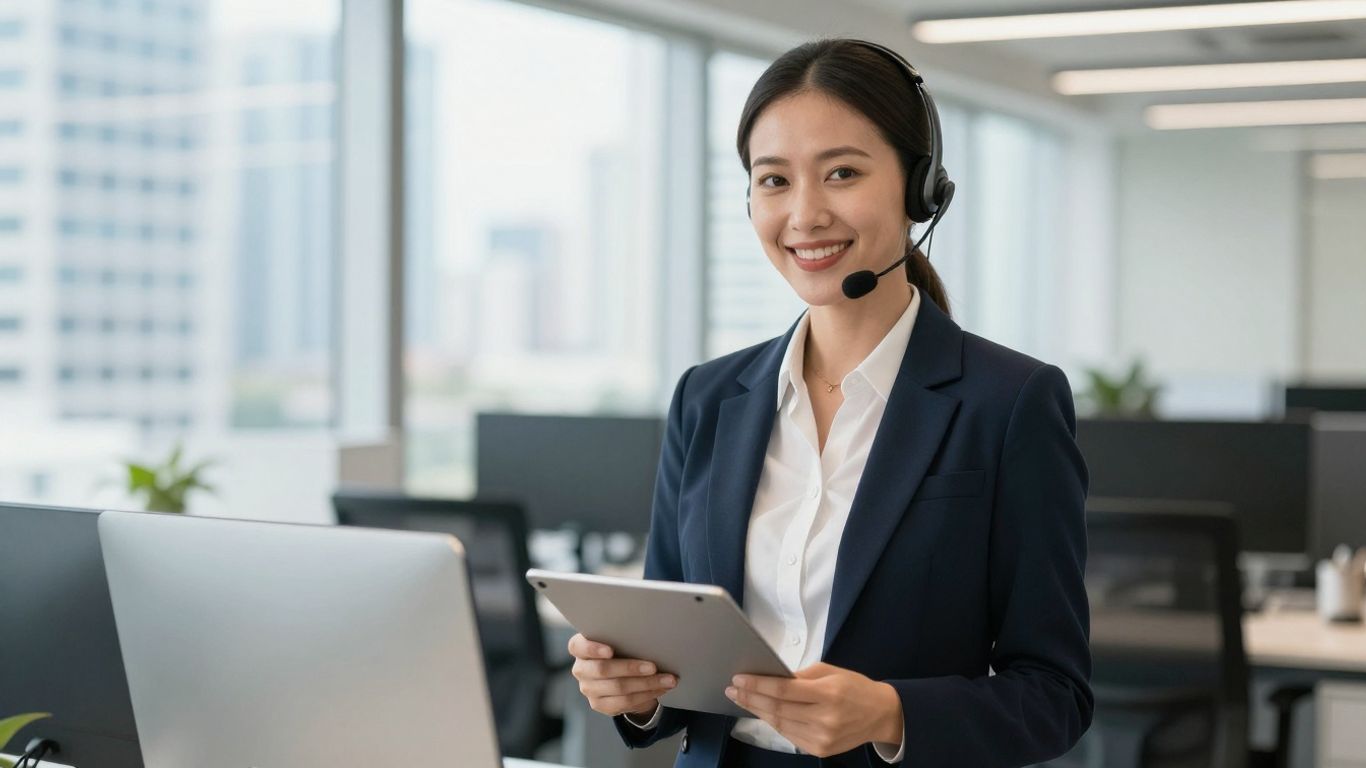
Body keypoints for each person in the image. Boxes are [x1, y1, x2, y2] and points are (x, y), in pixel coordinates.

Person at [567, 38, 1092, 768]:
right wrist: (637, 690)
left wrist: (890, 713)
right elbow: (675, 655)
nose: (805, 214)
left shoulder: (1009, 404)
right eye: (774, 180)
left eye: (842, 172)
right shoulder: (708, 399)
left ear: (919, 188)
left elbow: (1056, 695)